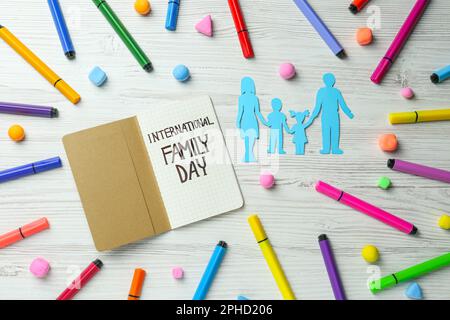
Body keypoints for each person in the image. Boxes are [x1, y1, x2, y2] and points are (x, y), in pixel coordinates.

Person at [304, 73, 354, 154]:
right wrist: (313, 116)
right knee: (329, 131)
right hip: (329, 115)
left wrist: (350, 114)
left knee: (331, 131)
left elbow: (342, 104)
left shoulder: (331, 91)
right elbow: (318, 106)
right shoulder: (329, 91)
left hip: (331, 115)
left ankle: (332, 149)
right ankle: (329, 149)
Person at [236, 77, 268, 162]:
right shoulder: (254, 98)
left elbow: (240, 112)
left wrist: (238, 122)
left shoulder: (241, 98)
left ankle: (248, 156)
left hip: (245, 120)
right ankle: (249, 155)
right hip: (252, 120)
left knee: (247, 138)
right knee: (251, 137)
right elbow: (258, 112)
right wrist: (265, 122)